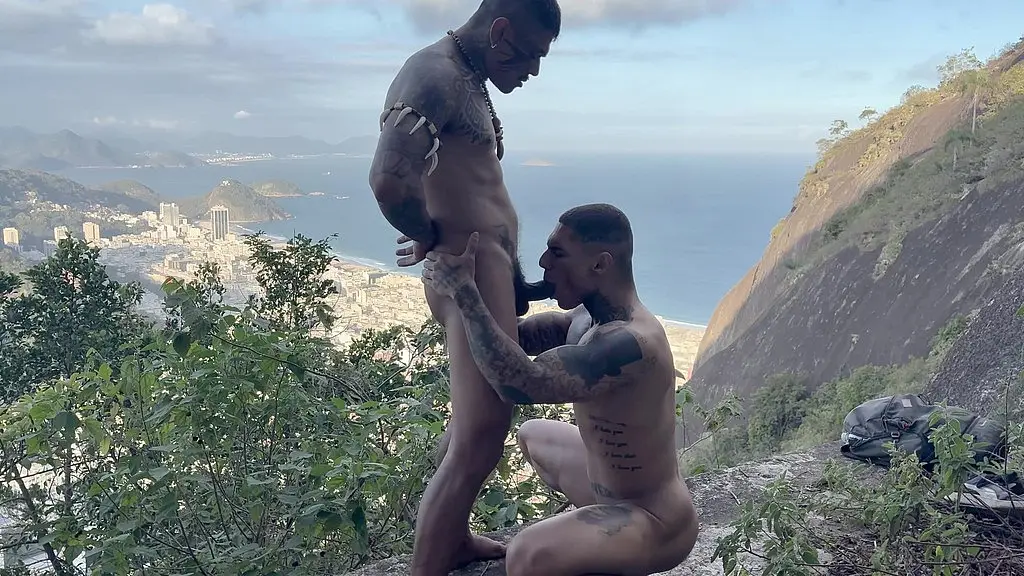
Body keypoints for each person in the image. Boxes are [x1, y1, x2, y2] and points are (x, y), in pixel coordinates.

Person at [367, 1, 561, 575]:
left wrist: (516, 280)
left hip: (485, 272)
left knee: (474, 429)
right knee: (481, 436)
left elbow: (473, 188)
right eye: (530, 54)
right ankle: (430, 563)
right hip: (469, 275)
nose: (534, 70)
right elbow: (389, 179)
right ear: (500, 31)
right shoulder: (434, 75)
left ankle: (451, 537)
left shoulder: (467, 79)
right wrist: (430, 235)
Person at [420, 203, 701, 576]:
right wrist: (481, 263)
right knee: (533, 434)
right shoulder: (585, 318)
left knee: (526, 556)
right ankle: (595, 540)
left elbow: (518, 382)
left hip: (654, 518)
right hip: (607, 488)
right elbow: (512, 339)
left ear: (599, 264)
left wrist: (465, 295)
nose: (544, 262)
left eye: (558, 254)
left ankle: (610, 546)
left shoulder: (630, 344)